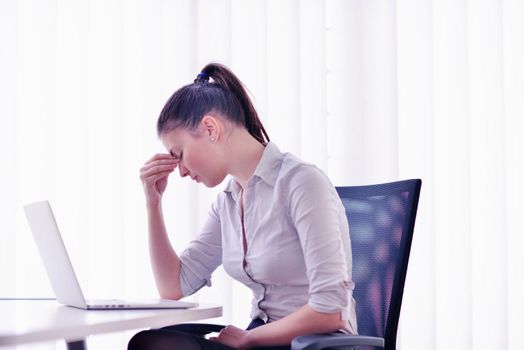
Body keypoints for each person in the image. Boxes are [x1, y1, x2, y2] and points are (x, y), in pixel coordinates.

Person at [128, 63, 357, 350]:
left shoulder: (301, 182)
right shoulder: (229, 201)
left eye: (180, 155)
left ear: (210, 128)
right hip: (262, 340)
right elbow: (173, 287)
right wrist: (153, 202)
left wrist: (249, 338)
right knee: (153, 341)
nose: (182, 172)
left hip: (315, 344)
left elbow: (331, 311)